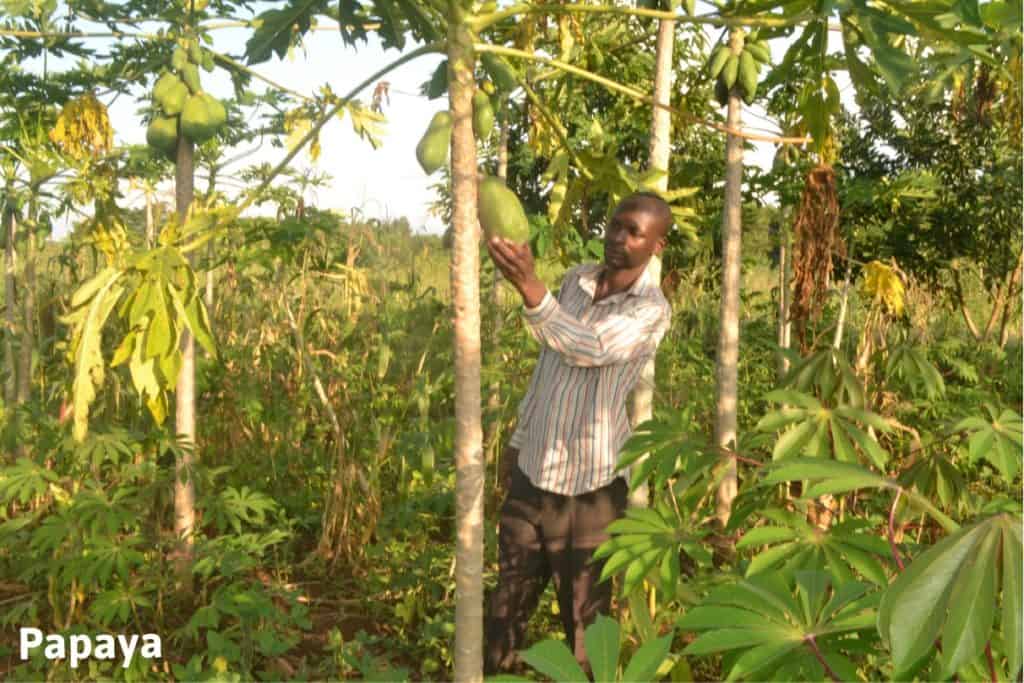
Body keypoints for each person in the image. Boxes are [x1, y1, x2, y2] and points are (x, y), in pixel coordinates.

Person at [483, 191, 673, 677]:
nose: (618, 238)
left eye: (634, 232)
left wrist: (528, 286)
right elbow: (546, 373)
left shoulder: (651, 309)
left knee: (586, 627)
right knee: (505, 609)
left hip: (590, 491)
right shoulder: (575, 280)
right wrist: (518, 444)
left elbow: (589, 346)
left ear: (656, 246)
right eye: (615, 225)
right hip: (533, 474)